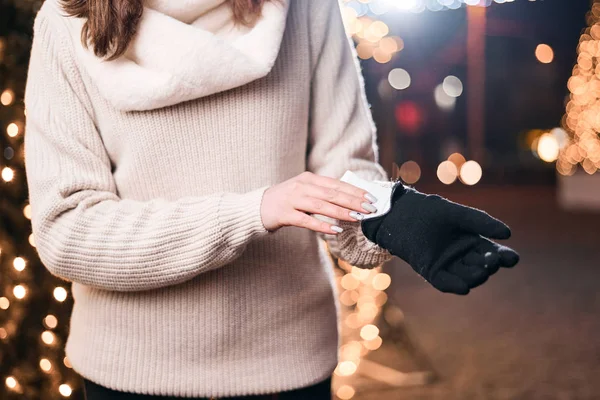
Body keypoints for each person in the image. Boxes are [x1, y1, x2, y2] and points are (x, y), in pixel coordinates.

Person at [22, 0, 517, 399]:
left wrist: (389, 217)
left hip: (287, 367)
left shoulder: (306, 9)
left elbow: (344, 170)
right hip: (130, 374)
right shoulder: (65, 22)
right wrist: (251, 212)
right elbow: (67, 228)